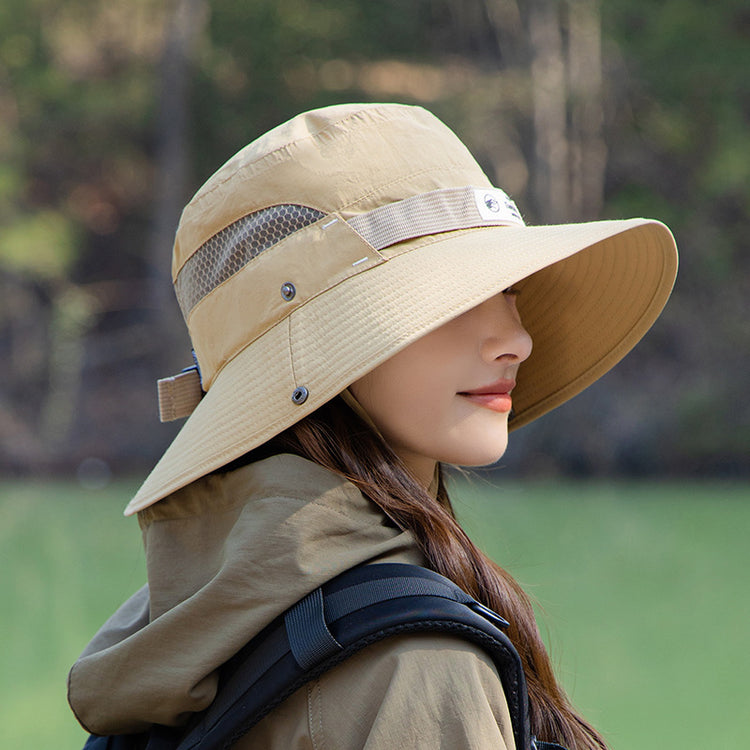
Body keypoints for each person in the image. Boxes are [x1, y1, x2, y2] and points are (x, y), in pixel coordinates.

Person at [67, 103, 678, 749]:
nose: (517, 341)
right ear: (324, 345)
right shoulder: (411, 666)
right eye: (455, 296)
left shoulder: (207, 605)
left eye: (510, 292)